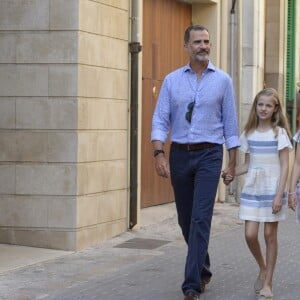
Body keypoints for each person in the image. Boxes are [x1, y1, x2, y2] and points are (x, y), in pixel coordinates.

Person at [151, 24, 240, 300]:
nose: (203, 46)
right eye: (198, 42)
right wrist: (159, 153)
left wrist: (233, 163)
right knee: (186, 219)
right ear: (186, 46)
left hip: (210, 155)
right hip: (179, 154)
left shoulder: (223, 80)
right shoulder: (171, 81)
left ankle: (191, 286)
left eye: (207, 41)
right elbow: (160, 119)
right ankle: (203, 268)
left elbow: (231, 125)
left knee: (201, 218)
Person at [223, 88, 292, 299]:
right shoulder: (249, 133)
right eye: (260, 104)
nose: (263, 109)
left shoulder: (279, 134)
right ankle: (262, 266)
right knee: (250, 234)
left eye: (268, 105)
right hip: (253, 190)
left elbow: (284, 166)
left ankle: (268, 283)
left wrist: (279, 195)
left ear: (275, 109)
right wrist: (230, 173)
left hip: (272, 190)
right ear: (256, 106)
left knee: (270, 235)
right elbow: (248, 164)